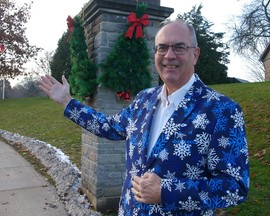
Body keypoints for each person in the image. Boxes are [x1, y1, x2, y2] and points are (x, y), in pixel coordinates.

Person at [39, 20, 249, 216]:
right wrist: (67, 102)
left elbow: (234, 187)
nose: (169, 55)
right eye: (162, 48)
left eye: (179, 47)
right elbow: (110, 127)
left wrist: (167, 191)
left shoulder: (222, 110)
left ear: (195, 54)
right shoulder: (144, 100)